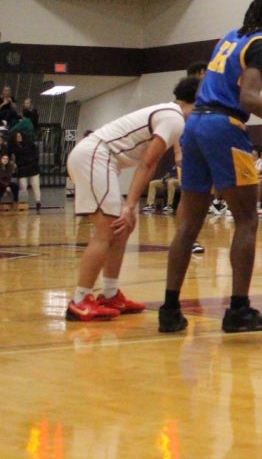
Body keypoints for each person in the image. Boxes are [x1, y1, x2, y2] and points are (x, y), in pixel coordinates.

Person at [159, 0, 262, 335]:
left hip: (197, 124)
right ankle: (238, 309)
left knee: (188, 223)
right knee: (247, 219)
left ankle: (170, 309)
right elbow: (248, 96)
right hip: (224, 127)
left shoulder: (231, 37)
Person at [66, 77, 198, 321]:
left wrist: (130, 207)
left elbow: (150, 163)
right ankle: (80, 299)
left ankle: (110, 293)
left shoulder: (170, 114)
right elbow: (148, 163)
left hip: (99, 158)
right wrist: (130, 205)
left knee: (121, 230)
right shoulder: (173, 117)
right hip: (94, 156)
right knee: (106, 232)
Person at [11, 129, 40, 213]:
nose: (19, 137)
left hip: (32, 167)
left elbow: (36, 154)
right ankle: (24, 203)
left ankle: (38, 202)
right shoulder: (15, 147)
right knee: (23, 186)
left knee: (35, 185)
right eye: (17, 136)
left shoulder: (30, 144)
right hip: (22, 168)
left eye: (20, 136)